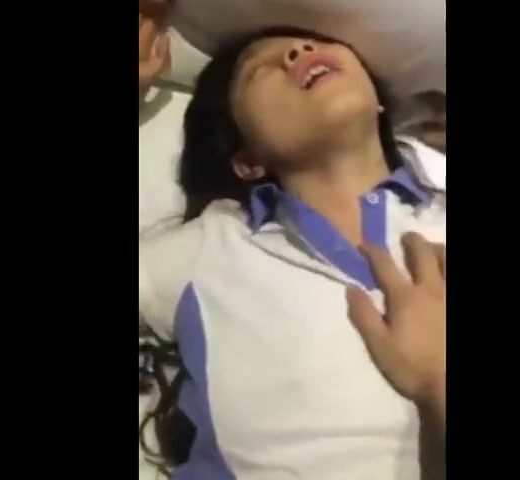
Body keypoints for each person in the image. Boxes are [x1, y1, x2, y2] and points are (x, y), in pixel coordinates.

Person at [138, 6, 446, 478]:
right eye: (257, 70)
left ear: (380, 104)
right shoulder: (211, 248)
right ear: (247, 160)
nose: (299, 51)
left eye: (318, 44)